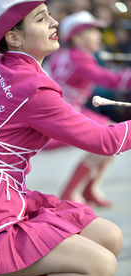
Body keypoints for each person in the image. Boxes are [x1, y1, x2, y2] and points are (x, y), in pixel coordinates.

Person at [0, 1, 130, 276]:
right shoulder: (32, 87)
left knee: (109, 238)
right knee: (98, 267)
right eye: (41, 18)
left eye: (50, 14)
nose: (54, 22)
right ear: (14, 37)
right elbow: (107, 142)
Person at [46, 10, 131, 207]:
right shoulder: (80, 58)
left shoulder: (64, 55)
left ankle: (89, 189)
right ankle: (69, 193)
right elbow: (111, 80)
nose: (98, 36)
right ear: (76, 37)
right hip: (63, 116)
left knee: (110, 135)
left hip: (68, 110)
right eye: (92, 31)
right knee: (106, 140)